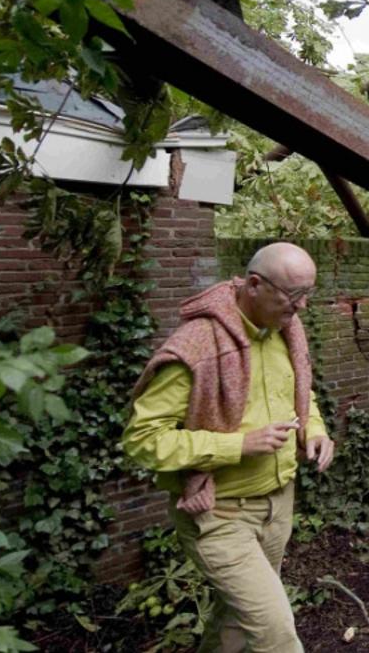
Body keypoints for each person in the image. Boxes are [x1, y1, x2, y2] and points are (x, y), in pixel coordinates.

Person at [123, 242, 335, 653]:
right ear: (255, 284)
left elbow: (300, 396)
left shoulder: (285, 330)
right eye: (294, 296)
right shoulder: (198, 345)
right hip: (220, 516)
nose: (303, 307)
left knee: (236, 621)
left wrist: (314, 430)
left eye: (308, 294)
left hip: (277, 507)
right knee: (277, 634)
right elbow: (143, 439)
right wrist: (237, 445)